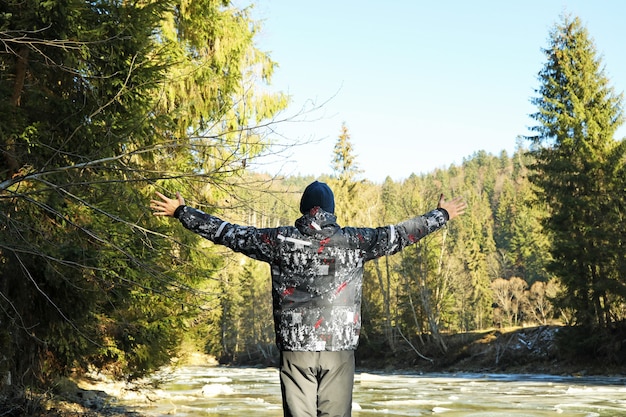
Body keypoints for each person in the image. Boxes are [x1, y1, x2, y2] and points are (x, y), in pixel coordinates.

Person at [151, 181, 466, 417]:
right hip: (338, 349)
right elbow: (402, 234)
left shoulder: (279, 240)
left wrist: (182, 212)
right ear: (332, 209)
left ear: (303, 208)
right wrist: (442, 214)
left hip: (295, 348)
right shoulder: (355, 240)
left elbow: (229, 233)